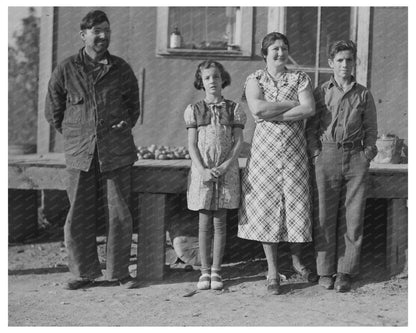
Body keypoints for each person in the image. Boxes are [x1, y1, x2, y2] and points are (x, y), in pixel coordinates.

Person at [45, 10, 140, 290]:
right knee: (79, 212)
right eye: (96, 31)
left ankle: (119, 272)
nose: (102, 36)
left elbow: (134, 107)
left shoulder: (121, 68)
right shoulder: (66, 69)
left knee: (119, 211)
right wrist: (79, 134)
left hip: (117, 149)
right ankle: (82, 272)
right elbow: (53, 111)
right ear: (83, 34)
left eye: (106, 30)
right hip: (79, 150)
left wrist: (121, 125)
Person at [238, 32, 317, 295]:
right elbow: (257, 110)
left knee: (294, 203)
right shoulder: (254, 79)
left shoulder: (300, 78)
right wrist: (290, 104)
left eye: (284, 48)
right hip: (265, 155)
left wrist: (275, 112)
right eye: (274, 49)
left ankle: (296, 260)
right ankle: (272, 270)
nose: (280, 53)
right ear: (265, 53)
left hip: (294, 153)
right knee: (266, 205)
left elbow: (308, 109)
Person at [306, 40, 378, 293]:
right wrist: (316, 154)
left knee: (353, 218)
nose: (344, 65)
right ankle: (325, 271)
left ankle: (345, 272)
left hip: (355, 157)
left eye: (349, 60)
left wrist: (366, 154)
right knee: (324, 215)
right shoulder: (321, 91)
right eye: (339, 60)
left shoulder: (363, 93)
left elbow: (371, 130)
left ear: (354, 62)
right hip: (326, 156)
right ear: (330, 63)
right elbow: (311, 128)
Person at [184, 60, 246, 290]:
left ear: (223, 79)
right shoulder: (194, 110)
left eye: (217, 77)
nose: (213, 81)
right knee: (204, 223)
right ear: (201, 81)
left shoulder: (233, 109)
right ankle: (204, 272)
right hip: (203, 173)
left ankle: (217, 271)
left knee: (220, 223)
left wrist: (226, 165)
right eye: (208, 77)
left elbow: (238, 141)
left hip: (225, 171)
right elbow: (192, 145)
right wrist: (202, 170)